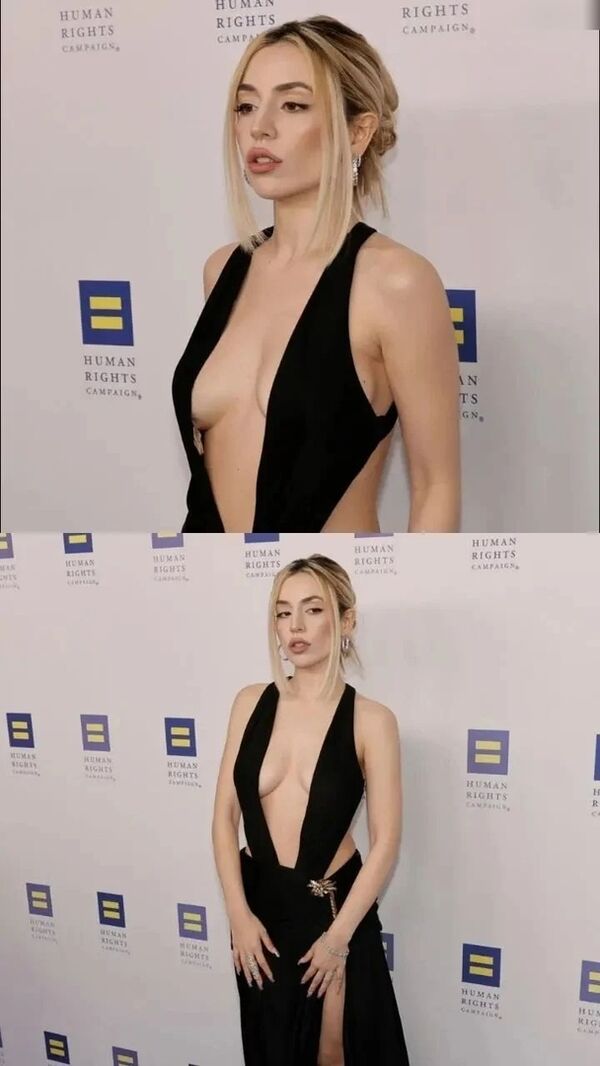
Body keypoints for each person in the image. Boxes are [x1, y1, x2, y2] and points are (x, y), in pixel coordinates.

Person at [172, 15, 460, 534]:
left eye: (293, 105)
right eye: (246, 105)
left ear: (358, 132)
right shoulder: (223, 270)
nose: (260, 127)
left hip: (334, 574)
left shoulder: (395, 282)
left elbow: (435, 486)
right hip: (205, 574)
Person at [211, 554, 411, 1065]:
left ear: (347, 620)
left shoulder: (372, 721)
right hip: (259, 917)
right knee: (272, 1050)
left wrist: (338, 939)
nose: (295, 626)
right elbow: (224, 819)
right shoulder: (248, 703)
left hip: (333, 915)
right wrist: (238, 915)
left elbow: (386, 842)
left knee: (335, 1053)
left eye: (313, 609)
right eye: (283, 612)